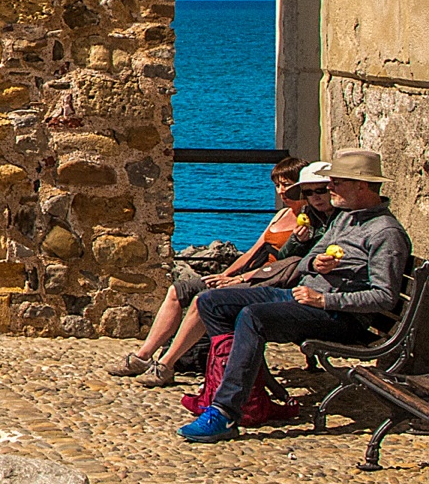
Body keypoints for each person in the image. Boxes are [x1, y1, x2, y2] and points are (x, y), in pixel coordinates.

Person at [179, 148, 413, 443]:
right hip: (303, 298)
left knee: (254, 317)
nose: (330, 188)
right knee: (212, 302)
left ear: (362, 186)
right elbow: (304, 260)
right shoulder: (344, 219)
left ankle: (225, 412)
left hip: (339, 317)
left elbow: (384, 297)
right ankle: (236, 395)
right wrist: (315, 264)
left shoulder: (385, 233)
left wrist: (324, 300)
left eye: (336, 182)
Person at [110, 159, 332, 386]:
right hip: (250, 274)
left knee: (203, 300)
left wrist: (242, 278)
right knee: (179, 290)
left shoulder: (313, 224)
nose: (282, 191)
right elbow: (252, 252)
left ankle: (166, 364)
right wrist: (226, 275)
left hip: (271, 281)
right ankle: (143, 356)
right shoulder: (281, 215)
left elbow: (288, 264)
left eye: (287, 184)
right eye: (278, 185)